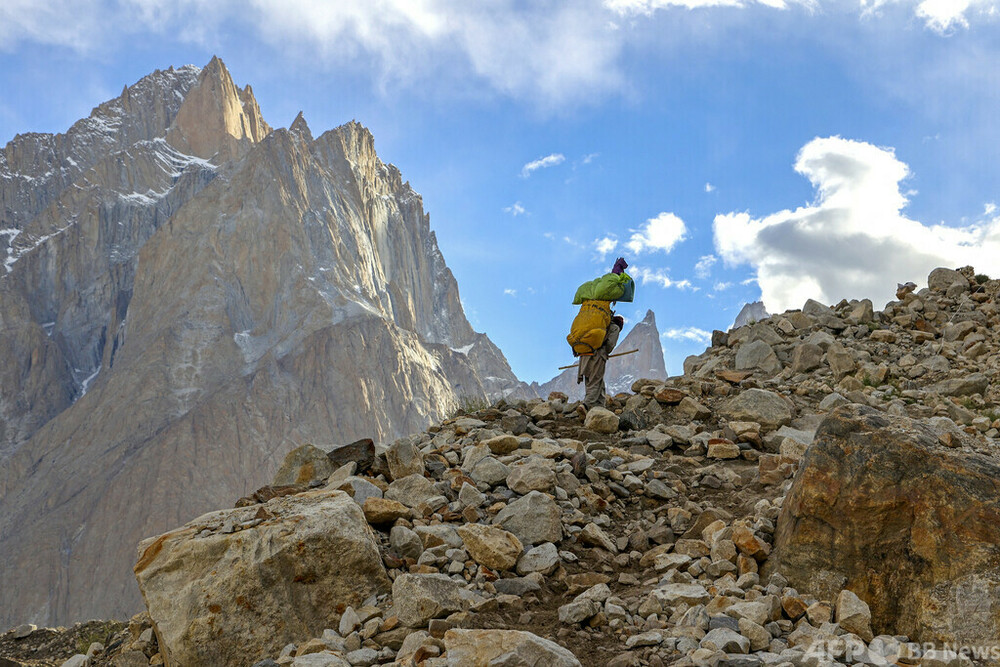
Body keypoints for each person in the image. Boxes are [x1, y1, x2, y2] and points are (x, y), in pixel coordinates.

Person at [577, 257, 628, 409]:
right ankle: (586, 406)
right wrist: (605, 352)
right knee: (595, 380)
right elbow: (610, 344)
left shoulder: (599, 320)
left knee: (593, 380)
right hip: (597, 354)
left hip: (584, 351)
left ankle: (599, 408)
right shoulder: (613, 327)